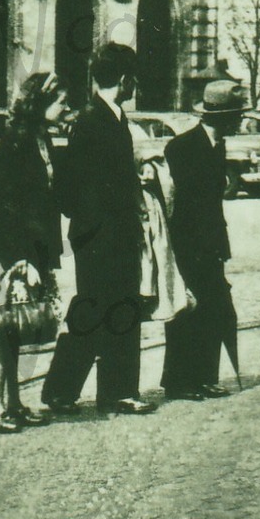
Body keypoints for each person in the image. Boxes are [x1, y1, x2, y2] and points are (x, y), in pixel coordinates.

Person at [41, 42, 157, 417]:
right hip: (100, 235)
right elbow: (68, 186)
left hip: (111, 233)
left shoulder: (111, 117)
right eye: (133, 78)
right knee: (96, 309)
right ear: (124, 80)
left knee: (113, 308)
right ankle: (80, 392)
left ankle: (106, 391)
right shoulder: (93, 120)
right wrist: (93, 222)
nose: (134, 84)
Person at [0, 73, 66, 433]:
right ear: (40, 103)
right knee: (3, 326)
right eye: (60, 101)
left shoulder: (41, 140)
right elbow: (2, 207)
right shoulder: (15, 142)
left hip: (27, 252)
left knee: (15, 326)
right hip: (4, 252)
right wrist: (20, 262)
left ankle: (12, 402)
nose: (66, 107)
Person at [161, 81, 240, 401]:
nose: (240, 121)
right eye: (236, 115)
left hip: (211, 244)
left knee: (213, 308)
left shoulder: (217, 144)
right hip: (189, 244)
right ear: (220, 116)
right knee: (187, 311)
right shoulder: (183, 147)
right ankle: (179, 382)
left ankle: (205, 377)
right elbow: (182, 206)